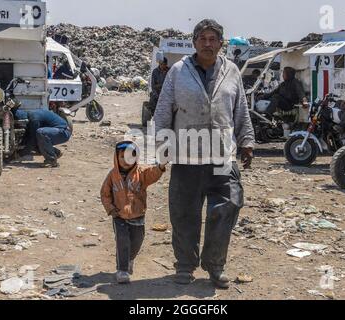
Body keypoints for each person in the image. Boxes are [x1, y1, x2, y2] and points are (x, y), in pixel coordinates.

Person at [154, 19, 255, 289]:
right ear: (194, 42)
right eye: (203, 39)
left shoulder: (231, 70)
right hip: (187, 157)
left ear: (221, 43)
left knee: (227, 207)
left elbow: (241, 110)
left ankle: (215, 266)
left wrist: (247, 141)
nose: (208, 44)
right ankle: (185, 266)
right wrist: (162, 146)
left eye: (213, 39)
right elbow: (163, 110)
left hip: (223, 158)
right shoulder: (178, 71)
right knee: (184, 213)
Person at [100, 141, 166, 284]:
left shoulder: (141, 174)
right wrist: (111, 209)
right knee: (122, 242)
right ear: (116, 158)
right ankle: (122, 270)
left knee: (137, 241)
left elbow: (153, 174)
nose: (126, 161)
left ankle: (130, 259)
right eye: (122, 157)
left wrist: (161, 166)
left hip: (138, 215)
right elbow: (105, 194)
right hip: (119, 215)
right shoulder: (112, 176)